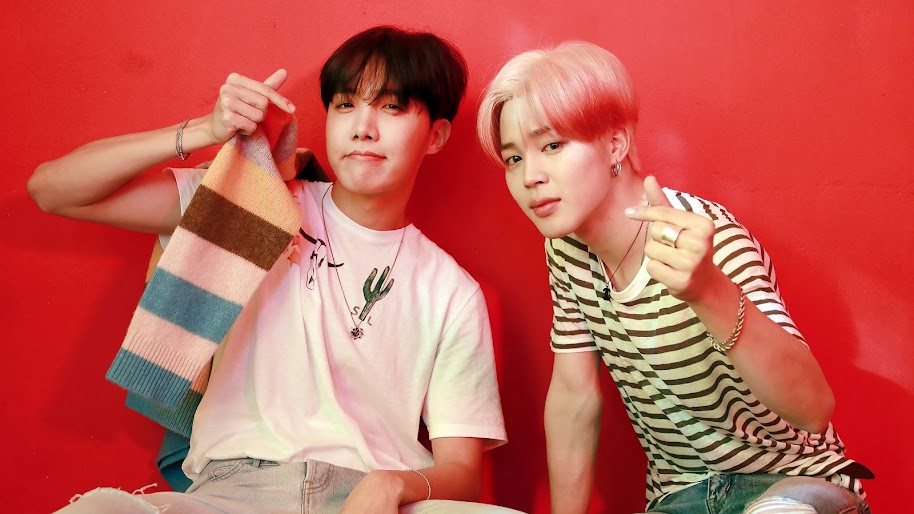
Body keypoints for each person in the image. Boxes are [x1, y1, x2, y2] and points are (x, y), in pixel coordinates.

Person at [29, 26, 519, 514]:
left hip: (377, 497)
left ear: (436, 135)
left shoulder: (450, 290)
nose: (362, 128)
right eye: (346, 104)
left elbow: (462, 473)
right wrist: (204, 131)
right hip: (233, 491)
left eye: (391, 107)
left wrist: (392, 486)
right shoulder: (252, 201)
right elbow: (53, 190)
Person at [476, 42, 873, 514]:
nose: (530, 176)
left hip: (792, 481)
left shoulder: (708, 236)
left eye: (552, 145)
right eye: (514, 158)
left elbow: (814, 409)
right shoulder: (566, 250)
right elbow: (574, 397)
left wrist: (708, 291)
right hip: (681, 496)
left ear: (615, 144)